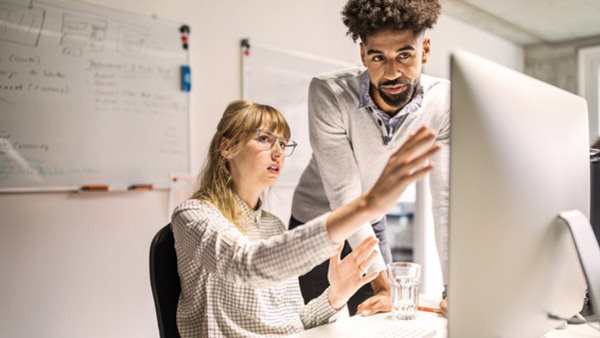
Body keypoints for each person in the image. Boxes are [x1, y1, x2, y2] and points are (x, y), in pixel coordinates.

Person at [171, 100, 439, 337]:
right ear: (227, 147)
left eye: (283, 143)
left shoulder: (272, 225)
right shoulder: (194, 215)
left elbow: (296, 322)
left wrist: (337, 294)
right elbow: (245, 264)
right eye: (264, 139)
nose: (278, 152)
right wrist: (363, 206)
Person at [290, 0, 449, 316]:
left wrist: (455, 288)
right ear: (363, 54)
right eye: (378, 57)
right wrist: (384, 286)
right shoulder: (329, 94)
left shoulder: (442, 101)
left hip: (372, 221)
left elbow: (446, 200)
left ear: (426, 50)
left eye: (405, 55)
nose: (392, 72)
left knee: (382, 317)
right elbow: (345, 200)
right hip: (320, 228)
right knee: (323, 326)